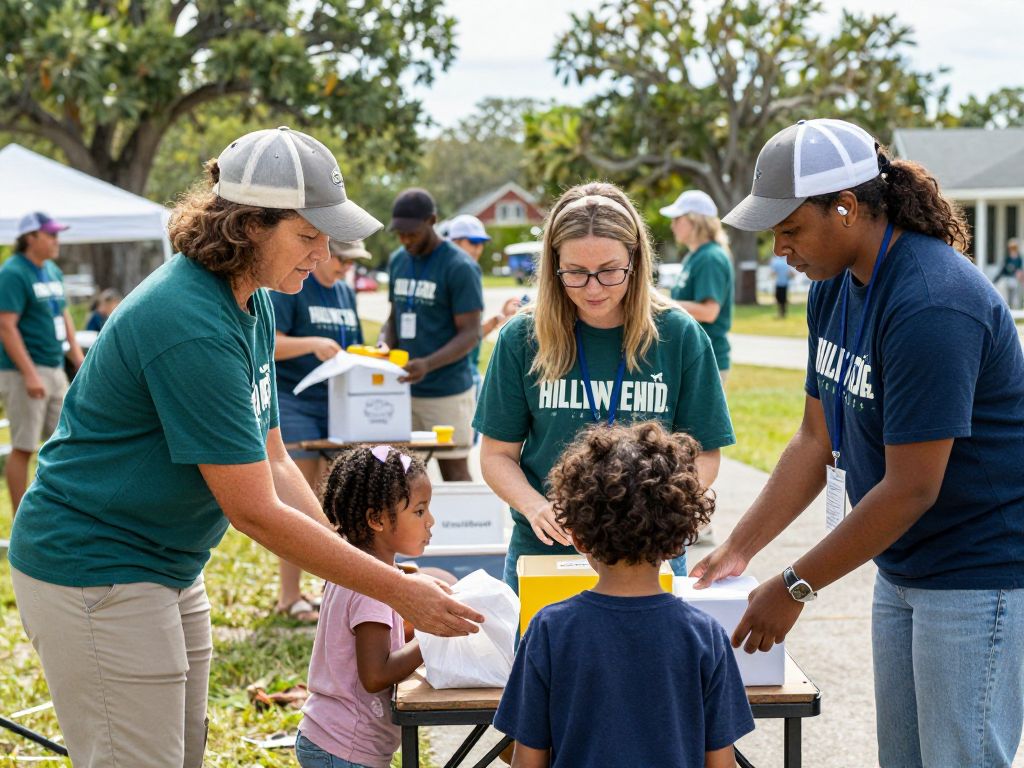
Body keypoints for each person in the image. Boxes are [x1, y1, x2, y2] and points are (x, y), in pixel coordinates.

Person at [7, 127, 483, 768]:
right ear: (247, 224)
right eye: (307, 236)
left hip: (168, 562)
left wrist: (384, 572)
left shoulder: (249, 302)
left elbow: (277, 458)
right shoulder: (190, 321)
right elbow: (253, 509)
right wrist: (397, 591)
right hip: (98, 565)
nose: (321, 256)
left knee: (182, 754)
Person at [693, 118, 1024, 767]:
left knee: (957, 759)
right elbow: (814, 439)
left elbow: (912, 487)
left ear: (846, 208)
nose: (781, 249)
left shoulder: (932, 303)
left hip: (976, 573)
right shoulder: (834, 288)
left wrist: (793, 586)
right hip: (902, 568)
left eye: (791, 229)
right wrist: (738, 548)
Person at [473, 181, 734, 592]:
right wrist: (535, 506)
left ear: (636, 259)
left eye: (610, 271)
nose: (593, 289)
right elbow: (496, 455)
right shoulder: (522, 337)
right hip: (547, 553)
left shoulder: (678, 334)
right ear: (553, 264)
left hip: (646, 557)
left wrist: (659, 514)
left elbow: (706, 454)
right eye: (575, 273)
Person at [494, 421, 754, 768]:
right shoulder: (704, 635)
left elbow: (527, 762)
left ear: (579, 538)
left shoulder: (548, 629)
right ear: (677, 541)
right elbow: (721, 764)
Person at [295, 445, 430, 768]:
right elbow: (375, 674)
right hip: (345, 747)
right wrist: (434, 637)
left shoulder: (354, 568)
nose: (430, 522)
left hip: (330, 736)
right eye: (420, 511)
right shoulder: (375, 587)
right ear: (376, 519)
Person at [270, 238, 370, 622]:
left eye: (353, 262)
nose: (346, 267)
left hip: (338, 400)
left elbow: (353, 345)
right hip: (293, 398)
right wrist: (311, 344)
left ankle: (331, 589)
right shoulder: (295, 285)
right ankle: (289, 595)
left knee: (334, 498)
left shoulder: (344, 292)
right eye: (342, 258)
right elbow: (267, 342)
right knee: (298, 498)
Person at [382, 189, 484, 482]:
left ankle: (466, 529)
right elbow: (394, 317)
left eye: (411, 233)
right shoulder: (398, 261)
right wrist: (383, 343)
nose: (405, 240)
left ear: (432, 221)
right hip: (403, 390)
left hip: (447, 390)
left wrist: (427, 364)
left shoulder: (459, 267)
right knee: (400, 475)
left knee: (454, 471)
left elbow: (470, 333)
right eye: (399, 233)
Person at [0, 211, 85, 514]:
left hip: (53, 367)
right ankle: (22, 515)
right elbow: (6, 325)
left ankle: (58, 510)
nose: (56, 240)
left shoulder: (52, 270)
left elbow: (63, 316)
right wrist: (29, 374)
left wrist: (78, 359)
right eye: (50, 235)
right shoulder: (13, 272)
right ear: (30, 238)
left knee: (64, 442)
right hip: (24, 372)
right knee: (24, 446)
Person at [660, 189, 735, 381]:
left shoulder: (710, 257)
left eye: (677, 219)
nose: (672, 225)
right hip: (692, 355)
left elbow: (709, 312)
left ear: (695, 220)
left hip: (707, 358)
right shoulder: (694, 256)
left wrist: (660, 302)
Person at [997, 237, 1023, 310]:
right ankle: (1008, 309)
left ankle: (1014, 308)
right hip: (1007, 278)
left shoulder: (1019, 259)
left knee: (1015, 297)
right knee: (1006, 297)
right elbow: (1004, 269)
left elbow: (1019, 270)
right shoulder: (1008, 258)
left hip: (1015, 279)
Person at [769, 254, 795, 319]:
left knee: (779, 299)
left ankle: (780, 313)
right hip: (785, 283)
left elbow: (772, 273)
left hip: (778, 283)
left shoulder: (775, 261)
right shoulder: (786, 261)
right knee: (783, 299)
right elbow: (791, 274)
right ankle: (783, 313)